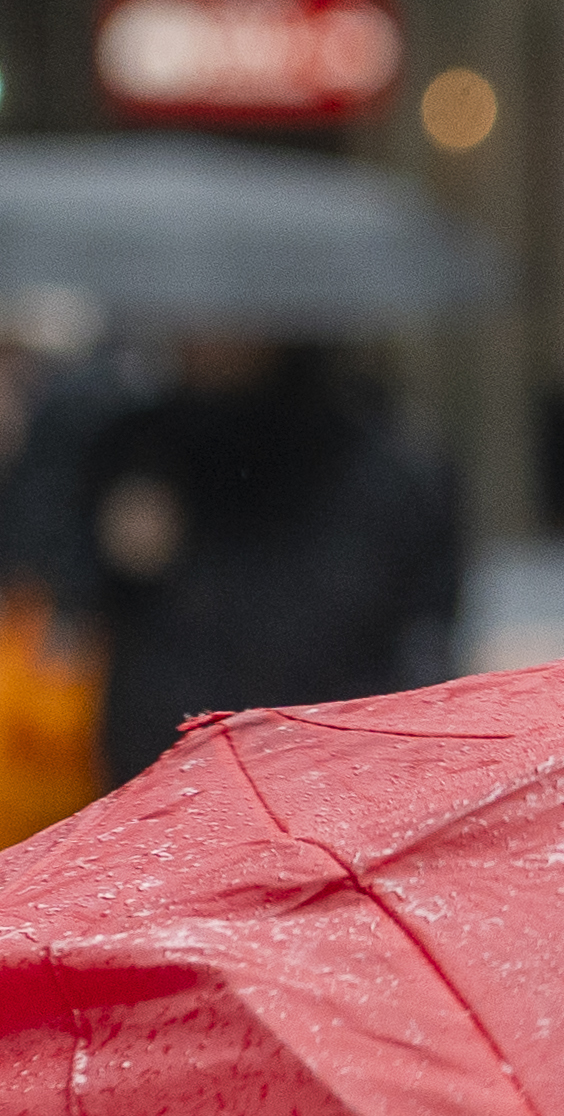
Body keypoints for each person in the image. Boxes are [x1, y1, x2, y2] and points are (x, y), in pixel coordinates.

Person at [77, 329, 463, 783]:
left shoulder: (379, 468)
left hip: (331, 764)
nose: (204, 333)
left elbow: (420, 627)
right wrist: (120, 557)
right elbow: (88, 607)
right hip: (168, 772)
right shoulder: (136, 450)